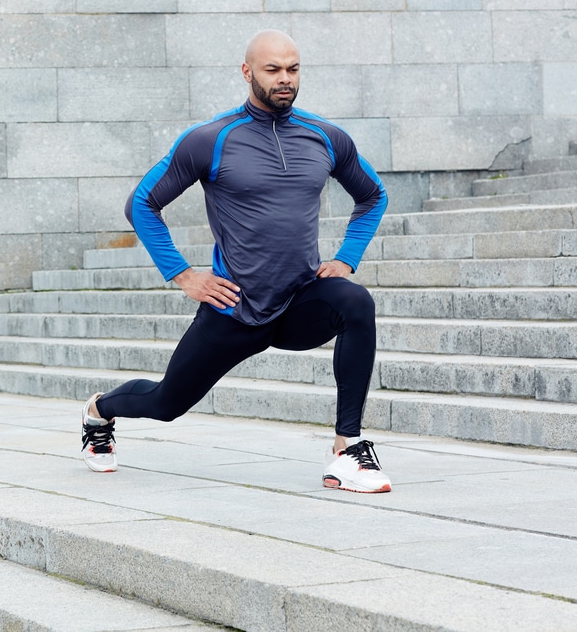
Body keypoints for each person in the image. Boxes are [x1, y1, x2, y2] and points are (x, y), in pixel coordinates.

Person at [80, 29, 391, 493]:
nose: (284, 79)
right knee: (167, 402)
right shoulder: (210, 139)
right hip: (235, 305)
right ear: (248, 72)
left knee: (354, 302)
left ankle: (348, 448)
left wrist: (346, 258)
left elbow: (372, 196)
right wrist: (183, 275)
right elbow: (142, 203)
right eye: (272, 70)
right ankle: (97, 413)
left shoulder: (326, 137)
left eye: (293, 69)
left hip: (299, 302)